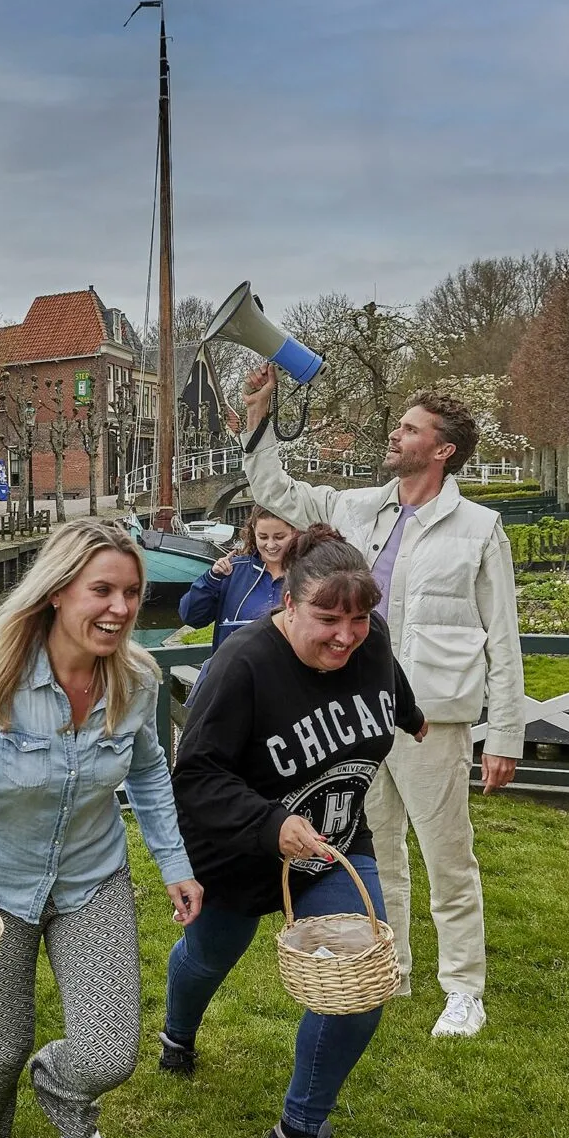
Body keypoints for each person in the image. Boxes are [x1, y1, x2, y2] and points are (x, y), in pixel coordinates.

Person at [0, 519, 203, 1138]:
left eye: (131, 591)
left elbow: (150, 770)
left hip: (91, 880)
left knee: (109, 1053)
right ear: (59, 592)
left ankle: (63, 1091)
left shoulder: (139, 680)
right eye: (103, 589)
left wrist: (173, 863)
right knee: (1, 1045)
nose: (121, 607)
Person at [238, 365, 523, 1039]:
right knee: (378, 854)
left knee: (449, 857)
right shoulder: (360, 508)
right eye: (399, 425)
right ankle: (392, 968)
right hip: (360, 717)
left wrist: (506, 733)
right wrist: (259, 416)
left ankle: (464, 989)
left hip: (434, 722)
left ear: (442, 447)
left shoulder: (479, 527)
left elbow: (504, 639)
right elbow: (276, 488)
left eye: (410, 428)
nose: (396, 435)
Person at [165, 525, 426, 1138]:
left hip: (337, 842)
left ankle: (298, 1133)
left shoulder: (372, 643)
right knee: (209, 955)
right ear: (287, 600)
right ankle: (177, 1032)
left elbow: (387, 682)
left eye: (360, 618)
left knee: (360, 980)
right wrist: (272, 823)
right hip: (239, 850)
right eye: (328, 619)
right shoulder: (243, 663)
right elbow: (194, 773)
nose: (346, 636)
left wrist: (413, 714)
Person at [178, 505, 293, 648]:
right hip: (236, 669)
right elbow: (192, 617)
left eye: (279, 537)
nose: (270, 545)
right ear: (253, 533)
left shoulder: (307, 574)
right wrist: (211, 580)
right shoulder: (232, 572)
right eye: (263, 537)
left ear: (294, 533)